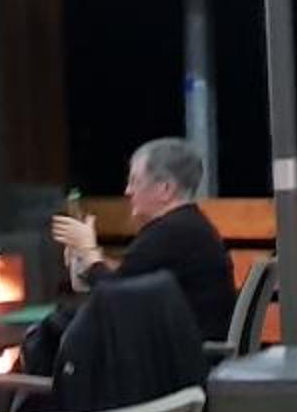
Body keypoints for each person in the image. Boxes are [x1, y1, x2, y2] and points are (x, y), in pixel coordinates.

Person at [46, 137, 238, 349]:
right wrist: (89, 257)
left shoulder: (169, 233)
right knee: (64, 325)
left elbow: (113, 298)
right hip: (180, 349)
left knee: (55, 333)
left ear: (165, 189)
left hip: (177, 358)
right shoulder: (186, 225)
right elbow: (128, 278)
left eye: (135, 181)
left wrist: (89, 251)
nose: (127, 191)